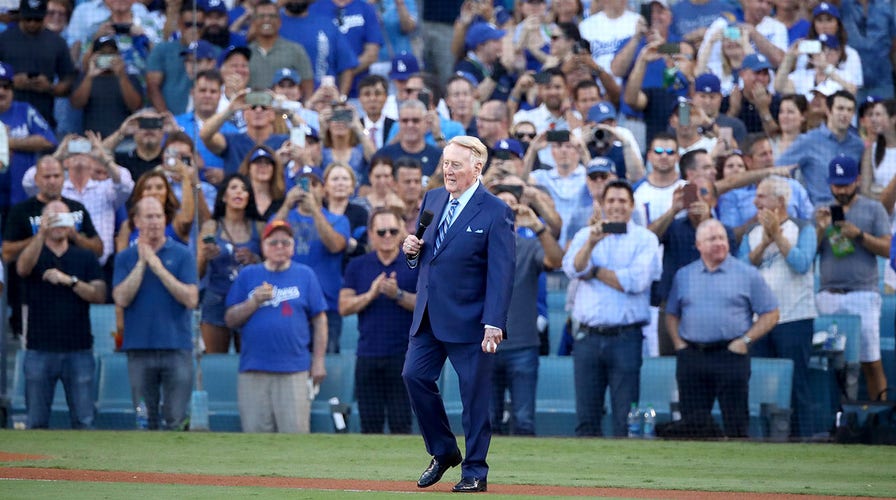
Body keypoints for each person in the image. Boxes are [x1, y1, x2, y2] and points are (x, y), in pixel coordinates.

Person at [401, 136, 515, 493]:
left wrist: (494, 322)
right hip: (429, 316)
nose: (447, 170)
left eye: (455, 164)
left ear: (477, 167)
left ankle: (475, 471)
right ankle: (444, 450)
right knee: (413, 376)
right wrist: (411, 251)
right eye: (445, 163)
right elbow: (424, 258)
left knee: (474, 399)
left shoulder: (496, 210)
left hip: (471, 321)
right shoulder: (433, 199)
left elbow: (502, 272)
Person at [563, 179, 661, 436]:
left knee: (624, 419)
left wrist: (594, 271)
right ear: (602, 204)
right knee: (586, 416)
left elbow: (635, 281)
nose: (616, 206)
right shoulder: (586, 235)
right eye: (611, 201)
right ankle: (584, 476)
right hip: (587, 336)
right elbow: (573, 269)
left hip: (625, 337)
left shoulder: (646, 238)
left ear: (631, 205)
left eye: (622, 201)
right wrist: (592, 245)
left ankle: (623, 474)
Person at [666, 219, 780, 438]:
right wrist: (679, 345)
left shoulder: (746, 274)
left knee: (736, 423)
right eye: (711, 239)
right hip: (693, 356)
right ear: (698, 245)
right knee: (692, 426)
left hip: (731, 355)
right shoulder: (684, 275)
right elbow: (671, 314)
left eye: (721, 238)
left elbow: (771, 313)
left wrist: (745, 341)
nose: (718, 243)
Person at [225, 220, 328, 433]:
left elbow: (320, 320)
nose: (280, 246)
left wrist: (318, 361)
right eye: (274, 242)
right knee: (255, 441)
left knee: (295, 440)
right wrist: (253, 302)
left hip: (294, 370)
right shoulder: (248, 275)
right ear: (263, 246)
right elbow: (230, 319)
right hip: (254, 369)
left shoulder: (305, 275)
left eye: (285, 242)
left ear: (292, 246)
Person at [738, 176, 817, 437]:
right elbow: (741, 271)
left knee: (797, 385)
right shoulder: (751, 234)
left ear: (780, 201)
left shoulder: (804, 228)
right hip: (759, 321)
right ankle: (761, 439)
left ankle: (802, 439)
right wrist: (764, 242)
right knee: (760, 384)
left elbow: (802, 263)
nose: (755, 201)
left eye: (761, 196)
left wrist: (778, 237)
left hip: (794, 318)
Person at [113, 196, 199, 430]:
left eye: (159, 216)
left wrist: (158, 268)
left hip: (176, 347)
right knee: (144, 420)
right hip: (139, 348)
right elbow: (121, 297)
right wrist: (142, 263)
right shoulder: (125, 258)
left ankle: (177, 466)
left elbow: (191, 299)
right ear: (137, 221)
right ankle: (145, 467)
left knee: (177, 419)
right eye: (149, 216)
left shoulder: (182, 254)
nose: (155, 222)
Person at [17, 201, 105, 429]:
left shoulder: (84, 256)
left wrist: (70, 281)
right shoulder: (36, 254)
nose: (58, 223)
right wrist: (40, 234)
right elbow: (22, 268)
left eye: (63, 218)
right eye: (52, 218)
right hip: (39, 349)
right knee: (36, 421)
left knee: (84, 421)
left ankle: (84, 465)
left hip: (79, 349)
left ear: (72, 222)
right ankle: (35, 465)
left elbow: (99, 294)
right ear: (43, 222)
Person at [815, 155, 891, 401]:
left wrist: (859, 235)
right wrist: (819, 229)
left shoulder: (873, 208)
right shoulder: (822, 210)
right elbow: (809, 254)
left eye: (847, 184)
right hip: (828, 296)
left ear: (857, 180)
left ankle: (879, 417)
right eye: (837, 185)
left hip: (863, 294)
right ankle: (834, 422)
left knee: (871, 360)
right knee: (827, 363)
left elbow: (889, 249)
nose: (842, 190)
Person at [490, 184, 563, 436]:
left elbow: (555, 261)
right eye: (500, 203)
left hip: (522, 346)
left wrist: (538, 226)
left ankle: (522, 476)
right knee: (487, 422)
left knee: (523, 421)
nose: (507, 208)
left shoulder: (529, 246)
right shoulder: (474, 246)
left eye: (512, 203)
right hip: (484, 346)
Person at [3, 156, 102, 337]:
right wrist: (40, 234)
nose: (52, 181)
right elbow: (7, 252)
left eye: (56, 176)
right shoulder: (21, 211)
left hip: (74, 296)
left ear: (63, 178)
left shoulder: (75, 208)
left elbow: (98, 249)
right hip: (32, 296)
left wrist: (74, 235)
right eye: (46, 177)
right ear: (37, 179)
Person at [339, 207, 417, 433]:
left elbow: (429, 305)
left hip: (404, 356)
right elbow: (343, 306)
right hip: (368, 356)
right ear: (371, 234)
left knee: (401, 423)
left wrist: (398, 295)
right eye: (381, 232)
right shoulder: (358, 265)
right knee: (369, 426)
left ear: (401, 232)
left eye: (393, 231)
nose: (387, 236)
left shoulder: (414, 263)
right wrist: (371, 294)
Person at [273, 165, 350, 353]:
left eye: (314, 183)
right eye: (302, 183)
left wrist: (315, 210)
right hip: (288, 302)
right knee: (289, 362)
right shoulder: (284, 216)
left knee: (325, 366)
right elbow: (269, 240)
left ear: (324, 190)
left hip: (326, 305)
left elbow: (335, 245)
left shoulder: (338, 219)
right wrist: (286, 204)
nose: (308, 188)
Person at [198, 173, 263, 354]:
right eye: (233, 188)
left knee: (251, 361)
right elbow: (197, 272)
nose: (239, 192)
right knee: (214, 364)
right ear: (224, 196)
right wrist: (205, 256)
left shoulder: (258, 227)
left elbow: (272, 266)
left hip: (249, 299)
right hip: (216, 298)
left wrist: (255, 259)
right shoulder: (211, 226)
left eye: (244, 189)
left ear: (249, 197)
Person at [777, 90, 865, 205]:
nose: (845, 114)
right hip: (819, 211)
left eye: (849, 110)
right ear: (828, 111)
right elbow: (778, 169)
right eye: (840, 108)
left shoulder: (858, 145)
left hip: (851, 209)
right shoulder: (808, 140)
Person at [0, 0, 76, 130]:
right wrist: (11, 83)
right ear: (20, 16)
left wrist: (50, 87)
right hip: (6, 117)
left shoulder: (57, 42)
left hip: (43, 115)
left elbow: (68, 80)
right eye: (28, 19)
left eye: (37, 19)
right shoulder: (3, 39)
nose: (32, 23)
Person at [0, 61, 58, 210]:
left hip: (22, 194)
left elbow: (47, 140)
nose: (1, 91)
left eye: (6, 86)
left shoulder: (25, 110)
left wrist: (7, 142)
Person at [69, 36, 144, 138]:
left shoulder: (130, 78)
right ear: (93, 56)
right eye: (102, 54)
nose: (107, 57)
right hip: (94, 140)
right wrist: (90, 76)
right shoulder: (85, 78)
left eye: (111, 53)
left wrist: (122, 76)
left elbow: (135, 106)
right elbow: (76, 104)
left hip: (124, 138)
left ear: (118, 55)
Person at [245, 1, 314, 97]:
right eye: (261, 16)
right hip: (254, 109)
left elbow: (307, 87)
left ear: (279, 21)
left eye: (272, 16)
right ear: (253, 22)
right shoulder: (245, 53)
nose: (267, 20)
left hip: (285, 110)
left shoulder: (295, 50)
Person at [237, 145, 286, 221]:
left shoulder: (281, 201)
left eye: (268, 162)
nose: (263, 166)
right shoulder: (239, 197)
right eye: (258, 162)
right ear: (249, 167)